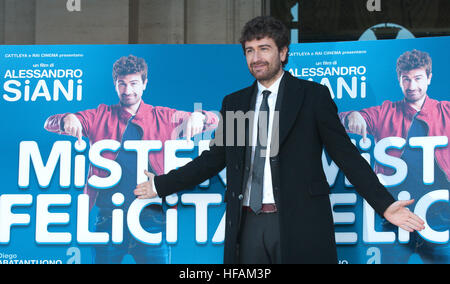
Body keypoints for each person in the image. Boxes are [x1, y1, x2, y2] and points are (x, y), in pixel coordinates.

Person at [134, 16, 425, 264]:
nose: (256, 57)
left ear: (283, 52)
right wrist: (161, 184)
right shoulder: (235, 103)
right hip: (247, 224)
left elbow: (346, 156)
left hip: (300, 223)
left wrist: (385, 205)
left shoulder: (312, 97)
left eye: (264, 49)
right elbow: (214, 159)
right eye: (249, 50)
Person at [44, 55, 219, 264]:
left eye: (134, 83)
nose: (128, 91)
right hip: (109, 219)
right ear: (115, 84)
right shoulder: (100, 115)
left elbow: (214, 119)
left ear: (145, 83)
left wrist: (199, 117)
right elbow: (50, 123)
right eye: (122, 84)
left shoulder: (163, 116)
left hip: (151, 218)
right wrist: (66, 119)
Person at [339, 49, 449, 264]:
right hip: (394, 218)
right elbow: (345, 118)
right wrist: (352, 116)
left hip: (441, 220)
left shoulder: (446, 111)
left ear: (429, 78)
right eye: (405, 79)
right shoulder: (386, 112)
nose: (412, 86)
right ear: (399, 80)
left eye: (417, 78)